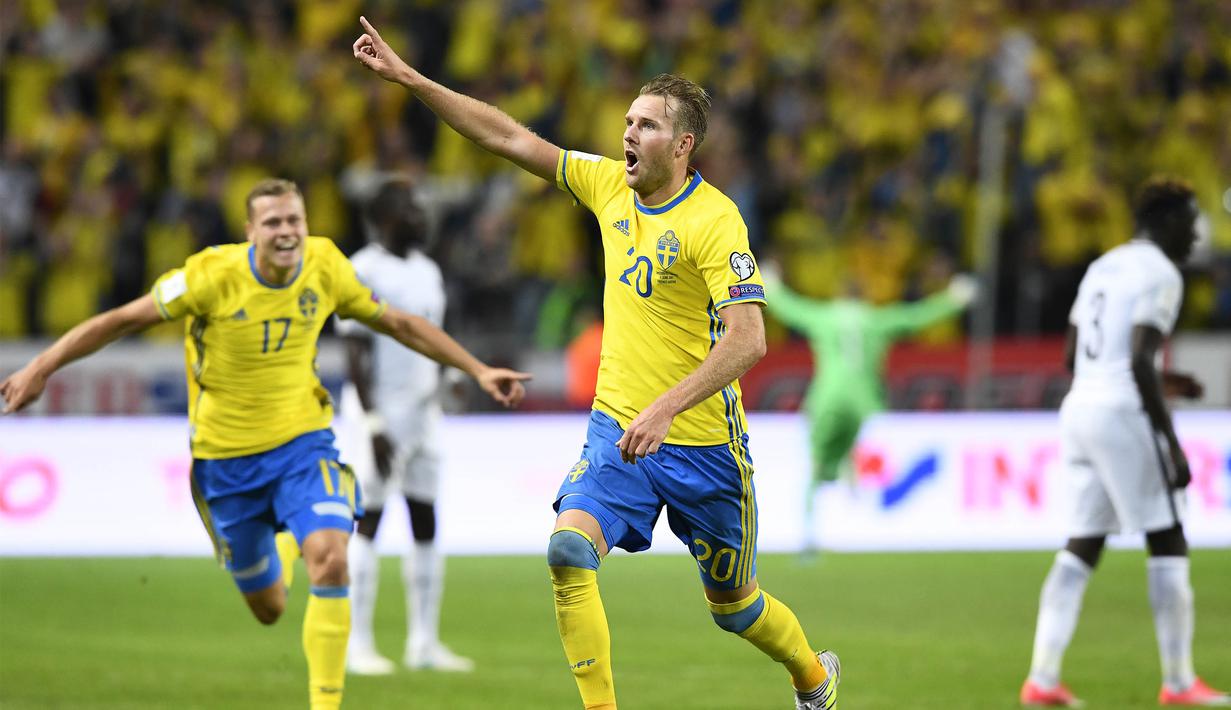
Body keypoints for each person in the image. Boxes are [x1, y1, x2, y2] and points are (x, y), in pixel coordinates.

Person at [354, 17, 840, 710]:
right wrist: (409, 78)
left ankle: (813, 678)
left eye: (646, 126)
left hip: (704, 447)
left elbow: (749, 340)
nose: (627, 135)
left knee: (734, 608)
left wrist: (666, 408)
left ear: (683, 144)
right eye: (627, 122)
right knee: (567, 552)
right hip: (618, 431)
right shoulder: (607, 185)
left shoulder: (715, 221)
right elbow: (505, 136)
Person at [0, 178, 530, 710]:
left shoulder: (325, 265)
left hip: (303, 446)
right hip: (225, 463)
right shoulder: (210, 275)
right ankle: (283, 542)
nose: (286, 231)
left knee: (331, 559)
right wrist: (41, 368)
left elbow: (400, 324)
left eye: (294, 219)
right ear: (250, 231)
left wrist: (478, 369)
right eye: (272, 222)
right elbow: (121, 320)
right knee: (270, 606)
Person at [1020, 177, 1228, 707]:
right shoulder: (1162, 273)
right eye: (1190, 223)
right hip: (1122, 413)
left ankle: (1042, 677)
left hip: (1080, 410)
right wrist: (1171, 444)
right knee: (1168, 537)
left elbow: (1074, 355)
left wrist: (1164, 381)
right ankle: (1179, 682)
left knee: (1083, 544)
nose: (1195, 235)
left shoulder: (1104, 265)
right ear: (1168, 222)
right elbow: (1137, 358)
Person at [333, 178, 474, 674]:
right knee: (368, 520)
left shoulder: (427, 270)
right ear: (385, 217)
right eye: (412, 208)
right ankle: (358, 645)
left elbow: (434, 337)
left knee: (425, 518)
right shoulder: (363, 269)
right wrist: (373, 422)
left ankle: (423, 643)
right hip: (379, 414)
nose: (422, 216)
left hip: (424, 413)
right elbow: (355, 351)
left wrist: (450, 377)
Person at [761, 269, 977, 552]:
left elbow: (789, 309)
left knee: (816, 462)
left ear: (838, 296)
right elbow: (915, 317)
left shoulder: (823, 317)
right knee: (856, 450)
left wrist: (771, 284)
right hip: (863, 402)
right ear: (863, 297)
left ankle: (809, 537)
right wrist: (953, 300)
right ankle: (853, 487)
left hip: (827, 398)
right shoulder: (876, 320)